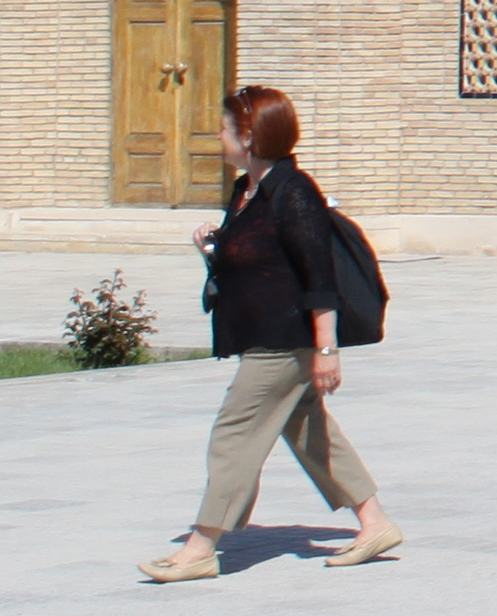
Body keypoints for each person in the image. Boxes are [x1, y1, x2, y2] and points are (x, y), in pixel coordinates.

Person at [138, 85, 399, 583]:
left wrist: (326, 349)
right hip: (261, 333)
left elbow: (318, 277)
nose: (217, 136)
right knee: (307, 430)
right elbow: (258, 262)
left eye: (224, 128)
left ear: (250, 136)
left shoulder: (294, 190)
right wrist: (213, 248)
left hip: (287, 340)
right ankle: (375, 522)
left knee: (233, 433)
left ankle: (201, 546)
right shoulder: (247, 190)